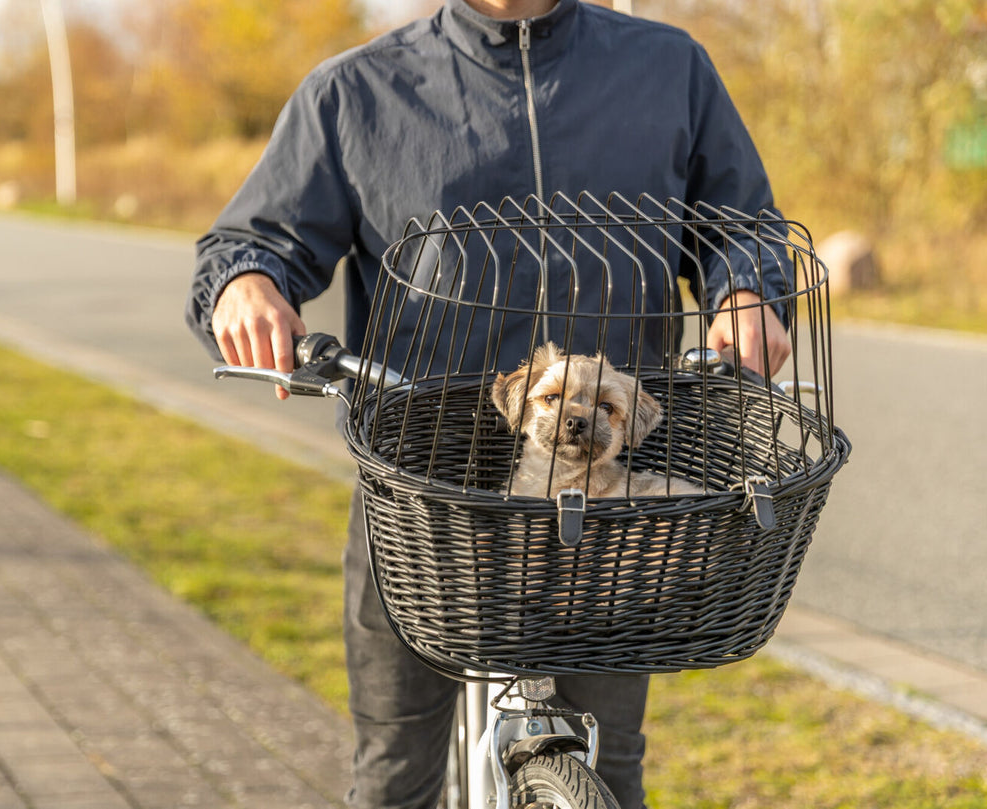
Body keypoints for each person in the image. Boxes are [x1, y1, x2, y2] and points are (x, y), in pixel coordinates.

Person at [186, 2, 792, 807]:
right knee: (394, 779)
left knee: (606, 775)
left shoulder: (670, 67)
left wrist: (747, 286)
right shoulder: (355, 90)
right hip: (418, 500)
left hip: (601, 510)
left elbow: (741, 224)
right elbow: (250, 241)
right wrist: (245, 285)